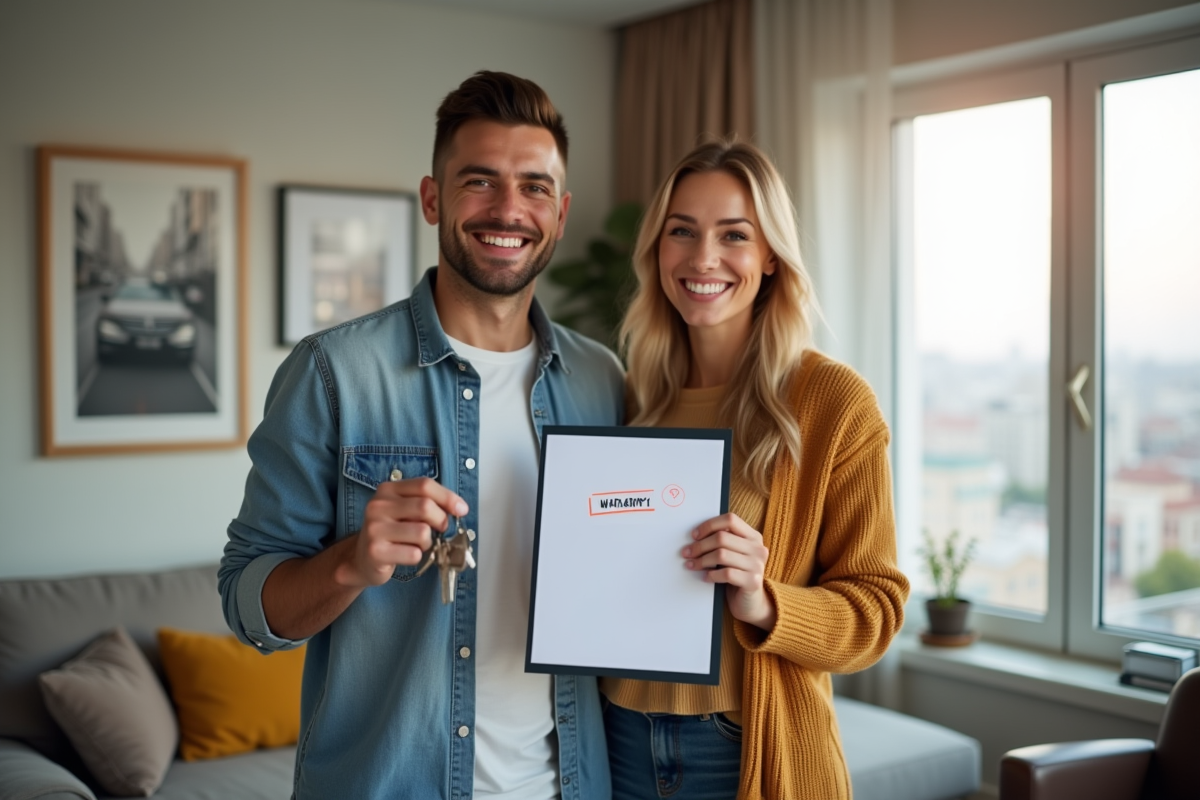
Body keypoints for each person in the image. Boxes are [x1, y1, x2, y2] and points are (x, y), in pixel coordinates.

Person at [219, 71, 622, 800]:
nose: (508, 209)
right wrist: (350, 564)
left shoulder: (604, 382)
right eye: (480, 181)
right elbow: (248, 607)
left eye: (534, 187)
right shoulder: (332, 373)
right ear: (433, 197)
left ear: (559, 214)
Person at [602, 139, 910, 800]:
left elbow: (876, 611)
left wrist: (763, 599)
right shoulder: (625, 398)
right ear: (657, 249)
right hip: (613, 740)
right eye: (681, 231)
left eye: (733, 235)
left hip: (742, 748)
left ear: (771, 255)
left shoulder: (832, 404)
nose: (702, 257)